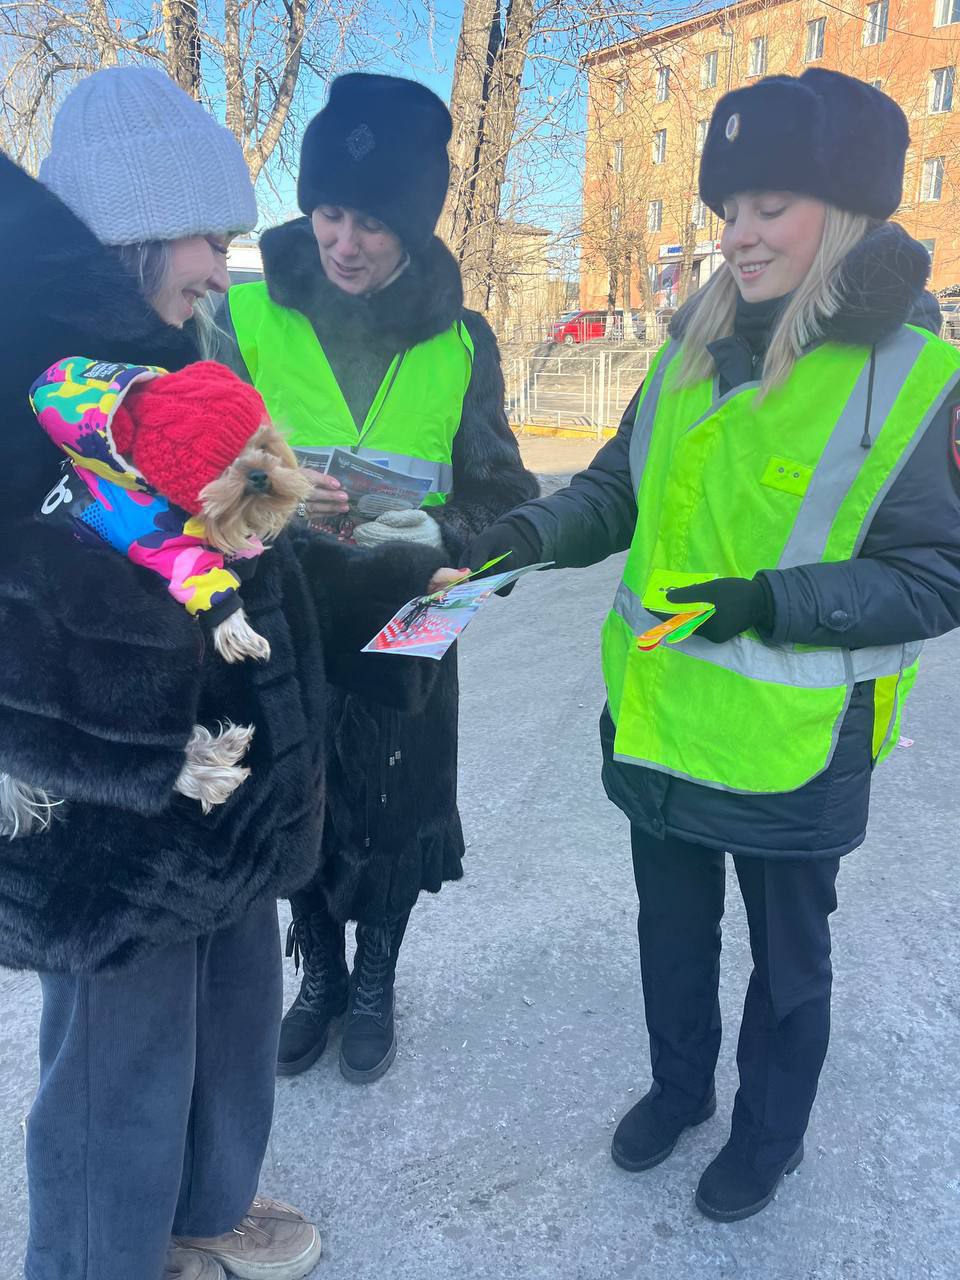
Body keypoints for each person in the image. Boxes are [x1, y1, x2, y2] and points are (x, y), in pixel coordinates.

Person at [468, 69, 960, 1222]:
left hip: (794, 738)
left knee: (789, 967)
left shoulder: (916, 379)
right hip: (661, 717)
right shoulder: (685, 347)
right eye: (725, 207)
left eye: (769, 203)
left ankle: (768, 1133)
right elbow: (611, 491)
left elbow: (937, 573)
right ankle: (679, 1087)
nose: (736, 234)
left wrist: (771, 602)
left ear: (845, 212)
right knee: (669, 930)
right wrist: (523, 534)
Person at [1, 67, 458, 1280]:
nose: (225, 261)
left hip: (231, 783)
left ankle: (205, 1208)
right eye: (209, 235)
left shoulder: (174, 349)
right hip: (130, 813)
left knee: (235, 1011)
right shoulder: (35, 373)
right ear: (134, 229)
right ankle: (100, 1254)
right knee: (118, 1065)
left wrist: (350, 557)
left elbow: (230, 545)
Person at [217, 72, 538, 1083]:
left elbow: (506, 490)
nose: (344, 241)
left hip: (412, 623)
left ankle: (376, 980)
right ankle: (316, 973)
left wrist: (442, 522)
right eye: (329, 212)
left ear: (416, 225)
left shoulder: (460, 340)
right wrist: (265, 489)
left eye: (372, 221)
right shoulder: (246, 316)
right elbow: (184, 469)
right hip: (289, 612)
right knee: (300, 802)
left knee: (393, 813)